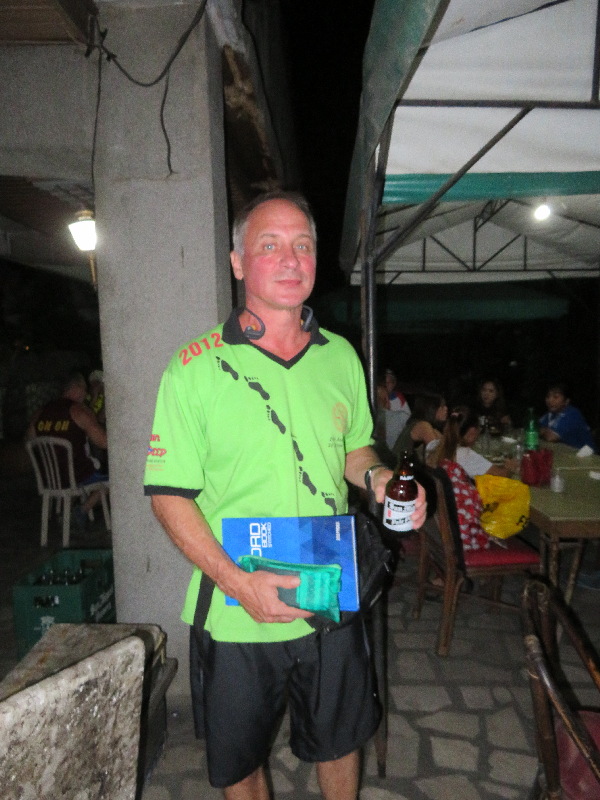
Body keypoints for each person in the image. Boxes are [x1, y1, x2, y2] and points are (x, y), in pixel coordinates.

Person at [143, 191, 427, 800]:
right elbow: (168, 495)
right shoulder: (194, 367)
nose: (290, 259)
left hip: (330, 588)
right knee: (240, 762)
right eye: (269, 245)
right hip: (236, 604)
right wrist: (236, 582)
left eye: (303, 245)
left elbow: (355, 448)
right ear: (237, 262)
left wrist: (378, 479)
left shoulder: (340, 356)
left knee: (341, 739)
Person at [28, 371, 108, 524]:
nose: (85, 394)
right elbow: (104, 442)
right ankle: (82, 510)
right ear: (77, 387)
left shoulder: (41, 412)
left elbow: (29, 440)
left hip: (50, 477)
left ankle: (65, 511)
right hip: (77, 475)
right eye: (84, 389)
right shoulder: (78, 411)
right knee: (114, 479)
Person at [427, 405, 518, 479]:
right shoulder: (466, 456)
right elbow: (501, 475)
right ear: (472, 432)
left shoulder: (432, 445)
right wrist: (509, 467)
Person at [392, 391, 447, 463]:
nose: (446, 409)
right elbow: (436, 454)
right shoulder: (423, 426)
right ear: (432, 409)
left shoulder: (429, 427)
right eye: (442, 406)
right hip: (400, 466)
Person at [539, 382, 596, 451]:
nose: (550, 400)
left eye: (555, 397)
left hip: (585, 454)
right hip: (566, 451)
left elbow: (551, 438)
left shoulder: (572, 413)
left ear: (566, 401)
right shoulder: (550, 413)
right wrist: (543, 431)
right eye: (548, 396)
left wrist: (543, 431)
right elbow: (534, 428)